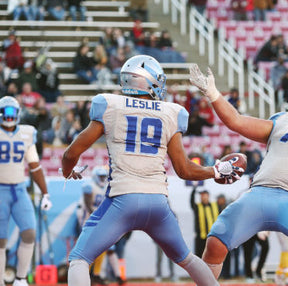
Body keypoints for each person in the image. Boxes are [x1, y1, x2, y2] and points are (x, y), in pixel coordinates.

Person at [61, 55, 242, 286]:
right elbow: (184, 169)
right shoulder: (170, 112)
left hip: (122, 200)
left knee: (79, 259)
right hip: (158, 203)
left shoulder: (111, 105)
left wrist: (67, 170)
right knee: (186, 258)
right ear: (149, 81)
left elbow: (70, 153)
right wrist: (216, 171)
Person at [189, 64, 288, 285]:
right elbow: (237, 121)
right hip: (259, 193)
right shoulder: (285, 120)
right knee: (217, 237)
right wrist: (214, 94)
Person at [0, 96, 52, 286]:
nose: (9, 116)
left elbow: (35, 166)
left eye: (12, 112)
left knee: (29, 232)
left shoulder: (26, 133)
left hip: (19, 189)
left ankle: (21, 279)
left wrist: (45, 192)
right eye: (6, 112)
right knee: (0, 241)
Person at [75, 166, 125, 285]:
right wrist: (99, 216)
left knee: (106, 248)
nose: (102, 178)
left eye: (104, 176)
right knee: (88, 249)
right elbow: (88, 205)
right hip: (87, 221)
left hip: (100, 221)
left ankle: (98, 275)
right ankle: (87, 275)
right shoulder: (89, 186)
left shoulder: (108, 187)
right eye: (100, 176)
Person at [190, 189, 219, 257]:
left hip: (212, 237)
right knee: (199, 257)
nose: (203, 197)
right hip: (201, 238)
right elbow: (191, 202)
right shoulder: (197, 207)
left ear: (208, 196)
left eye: (204, 195)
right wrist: (194, 190)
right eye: (201, 196)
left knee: (212, 257)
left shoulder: (214, 206)